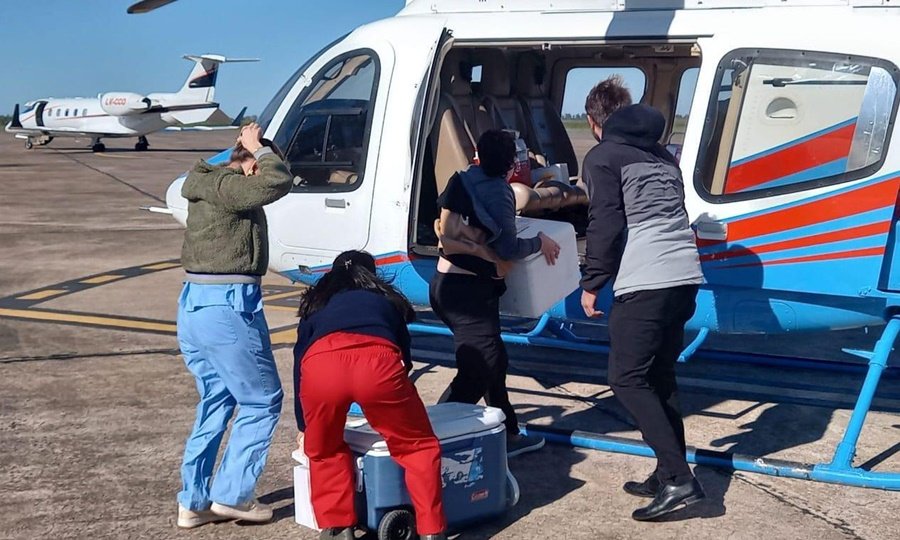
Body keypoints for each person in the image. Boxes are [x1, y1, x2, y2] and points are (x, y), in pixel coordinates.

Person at [579, 76, 706, 521]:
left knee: (626, 378)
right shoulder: (663, 157)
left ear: (595, 123)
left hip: (648, 279)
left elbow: (605, 224)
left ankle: (679, 480)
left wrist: (593, 282)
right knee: (659, 375)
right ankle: (666, 470)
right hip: (685, 275)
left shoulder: (602, 157)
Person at [175, 123, 294, 528]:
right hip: (228, 306)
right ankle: (234, 495)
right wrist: (256, 148)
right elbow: (277, 183)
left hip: (195, 304)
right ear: (246, 164)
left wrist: (246, 149)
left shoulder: (206, 182)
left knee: (218, 400)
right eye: (257, 164)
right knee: (262, 401)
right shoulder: (229, 185)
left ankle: (193, 501)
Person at [294, 251, 447, 540]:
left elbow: (299, 363)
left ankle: (339, 528)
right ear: (371, 275)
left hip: (320, 365)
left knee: (324, 449)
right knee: (417, 446)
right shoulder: (384, 299)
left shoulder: (317, 303)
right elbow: (405, 354)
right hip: (378, 364)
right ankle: (431, 529)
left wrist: (305, 426)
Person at [430, 129, 561, 458]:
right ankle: (431, 437)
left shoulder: (465, 178)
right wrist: (540, 242)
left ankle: (508, 432)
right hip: (468, 292)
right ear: (511, 165)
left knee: (494, 361)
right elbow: (508, 248)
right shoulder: (499, 192)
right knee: (479, 369)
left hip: (447, 285)